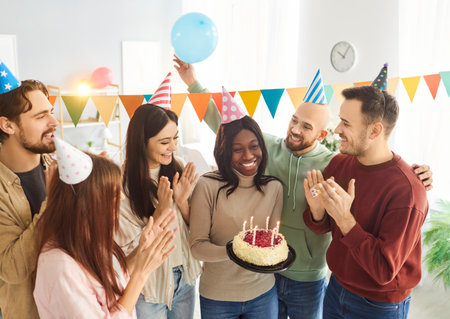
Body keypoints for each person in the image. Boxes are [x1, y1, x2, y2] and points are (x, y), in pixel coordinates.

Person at [174, 57, 433, 319]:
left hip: (311, 276)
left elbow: (377, 161)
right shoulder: (267, 149)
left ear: (322, 135)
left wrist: (416, 174)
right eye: (294, 120)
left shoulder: (333, 163)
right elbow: (229, 124)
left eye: (306, 126)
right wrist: (193, 83)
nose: (295, 129)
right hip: (270, 270)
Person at [303, 85, 428, 319]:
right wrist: (317, 211)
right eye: (340, 120)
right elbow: (324, 227)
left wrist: (345, 218)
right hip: (336, 288)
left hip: (379, 306)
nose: (337, 129)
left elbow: (383, 270)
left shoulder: (408, 192)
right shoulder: (340, 164)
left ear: (374, 131)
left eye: (346, 124)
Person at [33, 141, 177, 318]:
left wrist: (143, 251)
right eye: (115, 194)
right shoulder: (59, 267)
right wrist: (141, 274)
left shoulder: (88, 239)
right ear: (90, 203)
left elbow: (111, 278)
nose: (122, 198)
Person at [189, 90, 284, 318]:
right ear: (224, 151)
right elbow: (197, 246)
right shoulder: (207, 186)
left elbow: (270, 242)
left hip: (263, 293)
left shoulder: (274, 188)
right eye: (237, 149)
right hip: (218, 296)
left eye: (254, 146)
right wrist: (236, 251)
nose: (248, 155)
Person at [115, 104, 202, 319]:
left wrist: (182, 202)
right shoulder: (121, 183)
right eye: (164, 142)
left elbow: (196, 228)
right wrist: (160, 212)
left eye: (175, 138)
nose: (172, 147)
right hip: (149, 286)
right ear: (141, 142)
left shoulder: (178, 167)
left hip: (185, 277)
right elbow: (128, 247)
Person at [0, 64, 58, 318]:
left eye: (51, 113)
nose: (54, 122)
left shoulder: (59, 165)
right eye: (40, 116)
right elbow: (11, 269)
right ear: (7, 126)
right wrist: (53, 202)